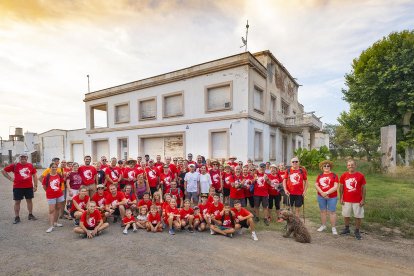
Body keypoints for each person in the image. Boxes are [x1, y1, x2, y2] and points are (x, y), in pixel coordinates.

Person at [2, 153, 38, 224]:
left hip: (28, 187)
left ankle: (30, 215)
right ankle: (17, 217)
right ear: (19, 158)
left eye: (25, 157)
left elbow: (34, 175)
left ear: (27, 158)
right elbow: (3, 171)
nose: (23, 158)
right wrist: (10, 178)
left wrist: (35, 185)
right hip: (18, 187)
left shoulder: (30, 165)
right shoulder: (15, 165)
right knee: (17, 202)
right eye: (22, 157)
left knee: (29, 201)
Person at [339, 159, 366, 240]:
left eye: (352, 164)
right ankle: (347, 229)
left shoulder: (360, 176)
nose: (351, 166)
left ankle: (357, 231)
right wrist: (341, 198)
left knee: (358, 216)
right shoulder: (344, 175)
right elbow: (341, 187)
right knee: (346, 215)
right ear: (347, 166)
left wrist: (363, 199)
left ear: (355, 165)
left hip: (357, 200)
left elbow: (363, 188)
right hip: (346, 199)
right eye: (349, 165)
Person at [314, 160, 339, 235]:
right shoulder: (320, 175)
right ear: (322, 167)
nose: (326, 167)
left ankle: (333, 228)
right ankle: (323, 225)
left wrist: (326, 193)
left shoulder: (334, 175)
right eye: (325, 166)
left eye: (328, 166)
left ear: (330, 167)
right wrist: (322, 193)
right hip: (321, 196)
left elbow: (336, 186)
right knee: (323, 211)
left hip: (332, 197)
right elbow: (316, 185)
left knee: (332, 212)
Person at [42, 163, 65, 233]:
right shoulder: (47, 176)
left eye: (55, 167)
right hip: (51, 196)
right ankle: (51, 226)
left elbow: (61, 183)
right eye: (53, 167)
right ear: (50, 168)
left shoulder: (59, 175)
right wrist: (49, 191)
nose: (54, 168)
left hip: (59, 194)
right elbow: (44, 186)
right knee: (51, 210)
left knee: (58, 208)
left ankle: (55, 222)